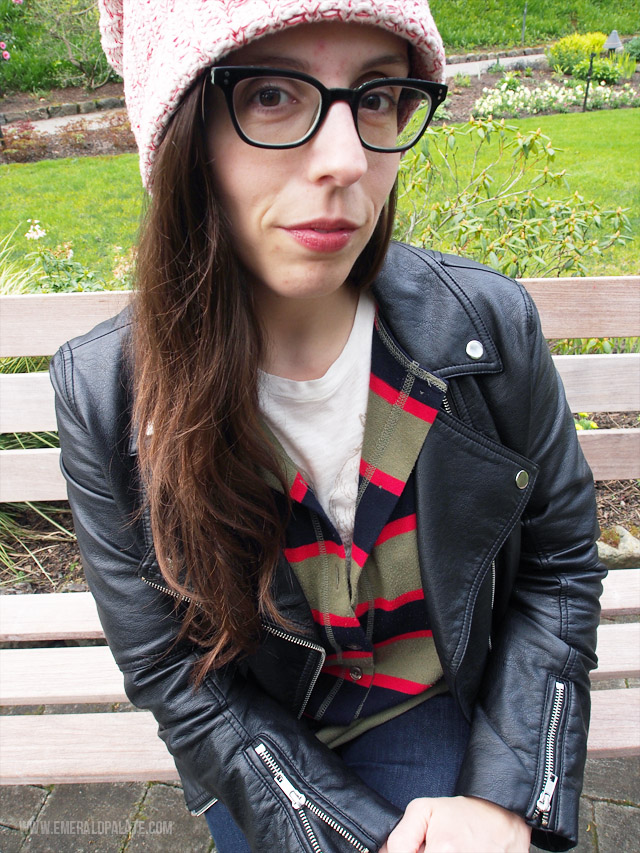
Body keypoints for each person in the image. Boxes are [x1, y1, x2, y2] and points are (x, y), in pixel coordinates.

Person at [50, 2, 605, 851]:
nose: (347, 161)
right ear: (181, 137)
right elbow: (176, 675)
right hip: (262, 745)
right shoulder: (106, 395)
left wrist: (506, 793)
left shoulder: (484, 329)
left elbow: (560, 563)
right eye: (272, 94)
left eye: (378, 97)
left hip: (437, 707)